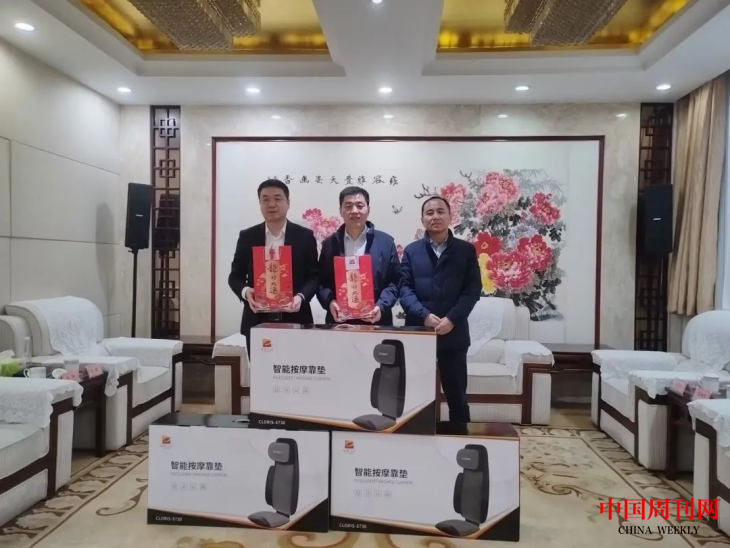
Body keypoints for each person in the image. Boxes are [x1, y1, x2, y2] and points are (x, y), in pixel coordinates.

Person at [399, 196, 482, 423]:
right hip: (418, 333)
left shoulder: (465, 250)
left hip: (454, 334)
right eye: (429, 213)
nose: (435, 216)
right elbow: (404, 289)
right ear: (422, 219)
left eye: (440, 211)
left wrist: (452, 319)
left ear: (450, 216)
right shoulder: (412, 251)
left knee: (457, 395)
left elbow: (472, 290)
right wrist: (423, 315)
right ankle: (417, 438)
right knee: (415, 394)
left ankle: (460, 437)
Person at [228, 179, 319, 350]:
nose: (271, 204)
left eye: (277, 198)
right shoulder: (247, 236)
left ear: (288, 203)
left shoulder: (305, 236)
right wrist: (246, 292)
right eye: (265, 199)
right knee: (260, 367)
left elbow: (314, 276)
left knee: (295, 365)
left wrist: (300, 297)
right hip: (257, 321)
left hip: (296, 319)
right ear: (260, 204)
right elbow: (235, 276)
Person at [317, 187, 401, 326]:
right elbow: (322, 282)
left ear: (368, 209)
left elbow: (395, 282)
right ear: (340, 211)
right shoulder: (329, 244)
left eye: (360, 206)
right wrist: (330, 301)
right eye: (348, 206)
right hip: (339, 322)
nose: (354, 211)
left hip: (377, 321)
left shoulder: (386, 243)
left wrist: (381, 306)